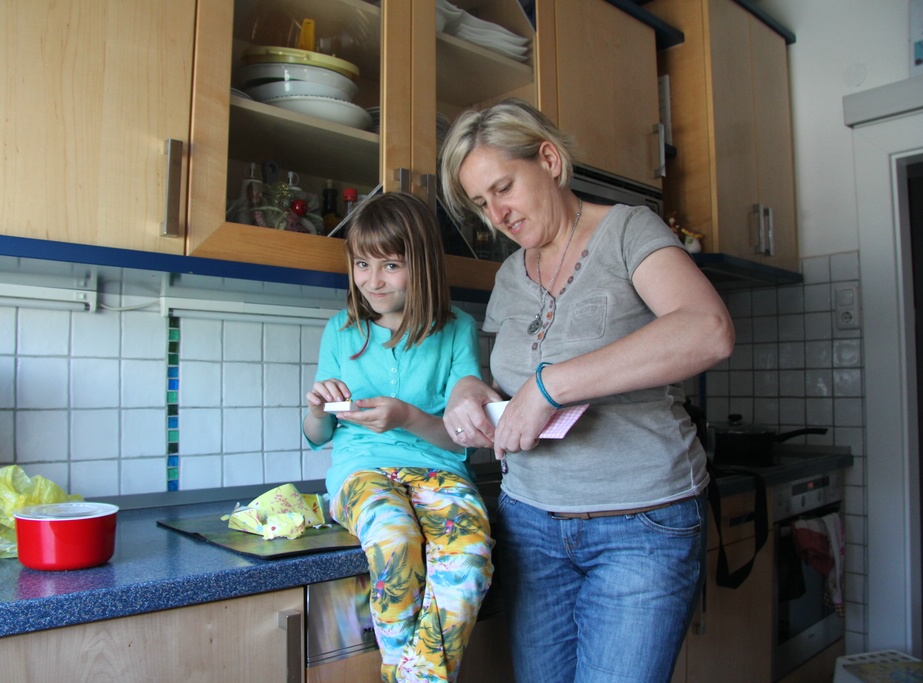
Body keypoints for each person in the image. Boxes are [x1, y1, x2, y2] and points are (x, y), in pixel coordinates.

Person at [437, 99, 735, 683]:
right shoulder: (508, 275)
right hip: (530, 524)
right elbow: (505, 385)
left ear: (549, 160)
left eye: (503, 188)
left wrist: (552, 386)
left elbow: (708, 330)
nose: (497, 214)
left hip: (642, 525)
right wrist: (468, 390)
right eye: (480, 203)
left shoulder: (629, 230)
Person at [303, 191, 494, 683]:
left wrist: (407, 416)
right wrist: (317, 408)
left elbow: (459, 441)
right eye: (362, 264)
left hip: (440, 469)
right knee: (394, 540)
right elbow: (318, 435)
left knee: (470, 557)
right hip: (361, 472)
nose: (373, 280)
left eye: (390, 265)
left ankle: (410, 678)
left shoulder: (458, 329)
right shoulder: (340, 330)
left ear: (422, 264)